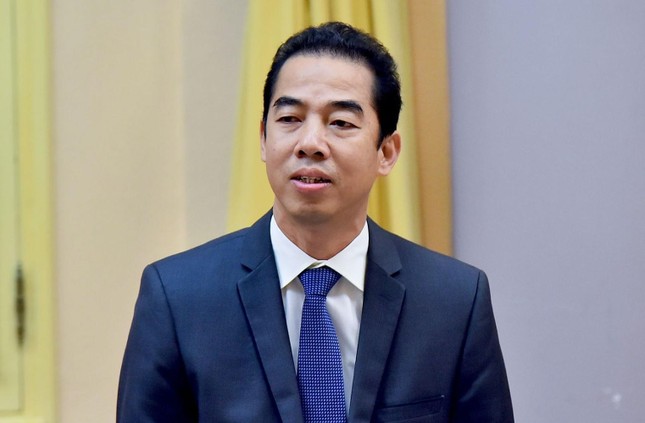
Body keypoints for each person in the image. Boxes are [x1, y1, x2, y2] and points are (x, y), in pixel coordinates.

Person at [117, 22, 513, 423]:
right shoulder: (178, 298)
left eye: (340, 123)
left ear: (387, 152)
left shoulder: (454, 302)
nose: (309, 143)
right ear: (263, 138)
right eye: (290, 118)